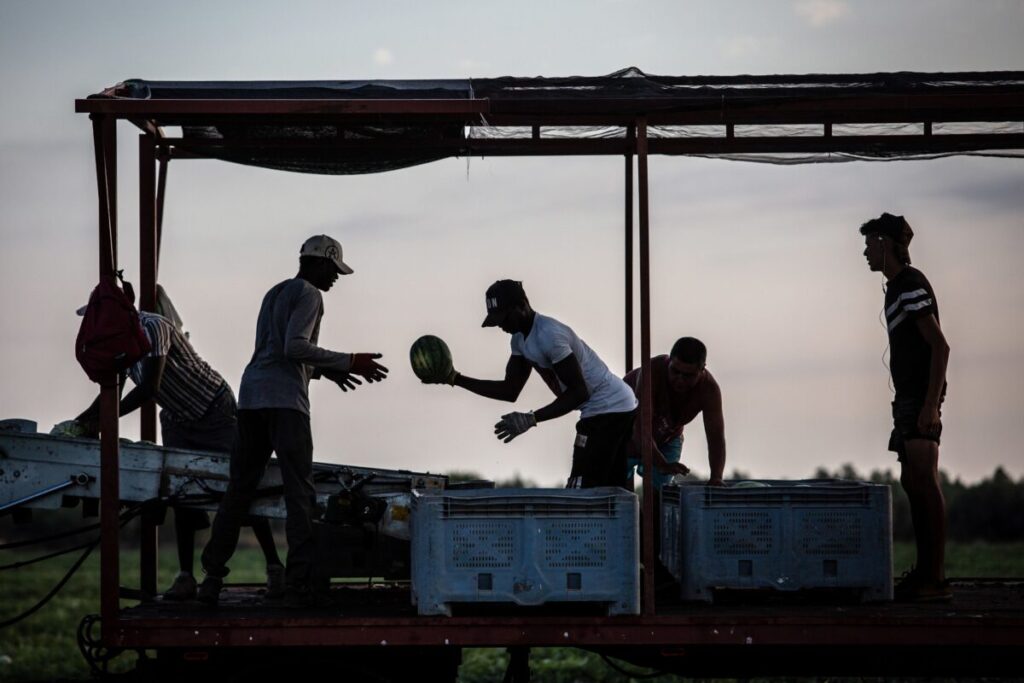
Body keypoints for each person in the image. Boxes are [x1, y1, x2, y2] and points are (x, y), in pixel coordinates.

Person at [198, 235, 388, 607]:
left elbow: (274, 351)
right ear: (319, 263)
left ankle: (211, 580)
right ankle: (298, 584)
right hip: (285, 403)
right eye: (334, 271)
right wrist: (349, 360)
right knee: (299, 493)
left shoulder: (276, 292)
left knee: (238, 491)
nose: (335, 279)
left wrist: (323, 373)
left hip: (252, 398)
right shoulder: (310, 294)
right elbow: (294, 347)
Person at [73, 286, 284, 601]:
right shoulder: (120, 346)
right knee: (182, 494)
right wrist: (84, 421)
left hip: (213, 408)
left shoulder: (155, 327)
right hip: (176, 418)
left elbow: (148, 388)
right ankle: (186, 577)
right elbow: (111, 393)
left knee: (241, 485)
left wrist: (101, 419)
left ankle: (274, 567)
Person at [425, 279, 637, 489]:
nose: (501, 325)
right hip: (613, 406)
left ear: (523, 305)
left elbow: (579, 392)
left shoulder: (550, 335)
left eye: (505, 318)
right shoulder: (519, 340)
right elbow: (510, 390)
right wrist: (455, 378)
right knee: (609, 490)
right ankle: (636, 522)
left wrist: (532, 419)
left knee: (581, 490)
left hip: (608, 407)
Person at [861, 213, 951, 602]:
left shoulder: (910, 285)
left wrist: (929, 404)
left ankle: (934, 578)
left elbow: (940, 346)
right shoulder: (895, 286)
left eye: (869, 243)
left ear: (884, 242)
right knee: (911, 481)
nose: (865, 252)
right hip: (908, 397)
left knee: (925, 481)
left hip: (919, 397)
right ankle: (925, 573)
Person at [624, 337, 726, 490]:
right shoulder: (652, 372)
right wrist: (662, 464)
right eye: (675, 371)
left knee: (662, 494)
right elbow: (639, 431)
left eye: (688, 376)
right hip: (625, 433)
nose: (680, 380)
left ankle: (655, 512)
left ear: (702, 369)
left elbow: (716, 437)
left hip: (668, 436)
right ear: (669, 362)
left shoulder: (709, 390)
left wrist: (716, 477)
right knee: (619, 493)